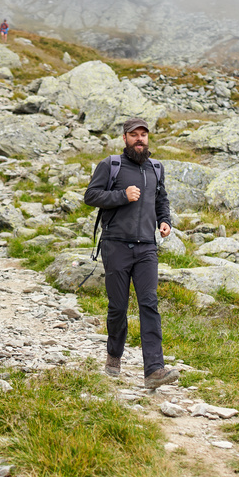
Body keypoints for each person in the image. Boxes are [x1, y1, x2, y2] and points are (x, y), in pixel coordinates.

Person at [84, 118, 178, 390]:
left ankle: (154, 370)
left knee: (149, 303)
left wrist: (165, 221)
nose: (140, 139)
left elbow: (162, 199)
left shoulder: (156, 168)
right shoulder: (111, 165)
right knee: (118, 307)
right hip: (116, 244)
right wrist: (122, 196)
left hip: (147, 247)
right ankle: (114, 357)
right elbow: (91, 196)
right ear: (124, 138)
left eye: (143, 135)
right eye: (134, 135)